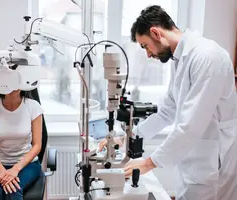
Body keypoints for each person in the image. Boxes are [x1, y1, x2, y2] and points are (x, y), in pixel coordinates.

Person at [99, 5, 237, 200]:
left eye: (145, 46)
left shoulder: (208, 57)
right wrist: (127, 137)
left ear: (155, 32)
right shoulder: (180, 60)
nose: (147, 54)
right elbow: (167, 112)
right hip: (194, 161)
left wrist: (148, 163)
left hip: (214, 166)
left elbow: (190, 126)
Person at [0, 89, 44, 200]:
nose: (12, 87)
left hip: (27, 165)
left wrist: (15, 169)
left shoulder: (33, 107)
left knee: (13, 190)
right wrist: (3, 172)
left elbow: (37, 145)